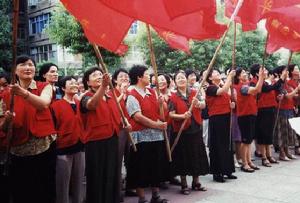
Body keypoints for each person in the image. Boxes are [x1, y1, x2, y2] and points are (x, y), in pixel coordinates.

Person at [0, 55, 56, 203]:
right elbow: (3, 127)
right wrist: (7, 120)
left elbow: (44, 103)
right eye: (22, 65)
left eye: (30, 64)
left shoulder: (45, 86)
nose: (27, 67)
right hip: (18, 152)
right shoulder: (6, 94)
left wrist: (24, 93)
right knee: (23, 192)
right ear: (15, 71)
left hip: (43, 149)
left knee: (45, 191)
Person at [126, 65, 169, 203]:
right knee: (140, 167)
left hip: (156, 136)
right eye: (146, 74)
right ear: (139, 77)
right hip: (141, 137)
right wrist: (156, 125)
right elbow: (137, 117)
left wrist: (162, 104)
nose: (149, 77)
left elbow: (162, 113)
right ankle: (142, 198)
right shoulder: (131, 94)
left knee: (155, 165)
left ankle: (155, 195)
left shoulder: (152, 91)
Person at [80, 67, 123, 203]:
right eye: (94, 75)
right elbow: (92, 105)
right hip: (96, 142)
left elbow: (113, 117)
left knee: (112, 175)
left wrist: (123, 124)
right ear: (88, 82)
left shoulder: (110, 96)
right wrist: (103, 86)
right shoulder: (85, 97)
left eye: (100, 74)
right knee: (98, 177)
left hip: (112, 139)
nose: (98, 76)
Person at [169, 70, 209, 195]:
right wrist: (182, 116)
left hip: (195, 129)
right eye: (178, 78)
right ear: (175, 82)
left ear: (186, 79)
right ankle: (184, 184)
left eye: (183, 78)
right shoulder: (173, 97)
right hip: (181, 132)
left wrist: (198, 103)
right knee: (183, 157)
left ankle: (196, 182)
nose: (181, 80)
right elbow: (171, 114)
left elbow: (203, 105)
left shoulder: (194, 92)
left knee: (196, 155)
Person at [51, 76, 85, 203]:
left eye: (75, 83)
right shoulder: (55, 105)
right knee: (63, 183)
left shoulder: (80, 104)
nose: (75, 85)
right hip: (63, 147)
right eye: (70, 83)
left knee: (79, 181)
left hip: (80, 145)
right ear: (63, 88)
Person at [250, 65, 286, 167]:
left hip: (270, 109)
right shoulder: (254, 83)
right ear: (257, 73)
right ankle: (264, 157)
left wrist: (278, 96)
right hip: (261, 111)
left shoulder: (265, 82)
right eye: (263, 70)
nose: (266, 71)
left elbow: (273, 89)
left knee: (269, 133)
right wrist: (281, 78)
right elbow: (268, 89)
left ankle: (269, 155)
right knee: (263, 134)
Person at [206, 69, 237, 182]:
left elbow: (228, 96)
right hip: (216, 118)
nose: (218, 74)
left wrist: (231, 105)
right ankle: (217, 172)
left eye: (218, 72)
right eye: (215, 73)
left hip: (226, 116)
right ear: (210, 78)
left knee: (227, 144)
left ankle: (227, 170)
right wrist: (229, 76)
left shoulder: (223, 85)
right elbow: (222, 90)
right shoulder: (210, 88)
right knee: (218, 145)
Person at [233, 66, 264, 173]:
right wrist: (261, 77)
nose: (245, 73)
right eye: (242, 73)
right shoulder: (241, 87)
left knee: (249, 140)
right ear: (238, 76)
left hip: (250, 114)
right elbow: (256, 90)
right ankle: (244, 163)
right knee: (245, 141)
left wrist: (261, 78)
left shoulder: (245, 85)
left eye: (245, 72)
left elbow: (257, 90)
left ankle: (249, 161)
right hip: (245, 115)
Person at [111, 68, 132, 202]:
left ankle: (130, 186)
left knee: (131, 160)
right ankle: (117, 192)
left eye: (126, 76)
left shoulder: (131, 92)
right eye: (121, 77)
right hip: (118, 131)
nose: (124, 78)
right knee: (117, 162)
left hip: (130, 129)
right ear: (114, 80)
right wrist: (122, 93)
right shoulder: (111, 92)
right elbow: (112, 106)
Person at [275, 65, 300, 161]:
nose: (287, 73)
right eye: (285, 72)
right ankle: (282, 153)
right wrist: (297, 89)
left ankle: (287, 151)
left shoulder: (287, 83)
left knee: (289, 132)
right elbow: (289, 96)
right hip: (282, 110)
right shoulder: (280, 84)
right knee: (282, 133)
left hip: (290, 109)